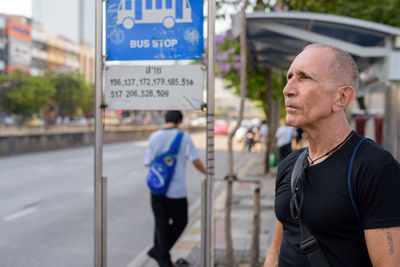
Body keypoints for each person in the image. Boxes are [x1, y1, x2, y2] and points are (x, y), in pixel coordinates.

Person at [264, 44, 400, 267]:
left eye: (304, 77)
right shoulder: (290, 164)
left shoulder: (374, 167)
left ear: (342, 97)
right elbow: (276, 252)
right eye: (289, 77)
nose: (287, 89)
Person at [144, 110, 206, 267]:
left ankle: (160, 253)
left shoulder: (154, 136)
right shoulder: (183, 137)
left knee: (161, 224)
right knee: (181, 222)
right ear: (179, 120)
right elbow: (196, 161)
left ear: (165, 120)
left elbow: (147, 162)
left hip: (157, 189)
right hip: (176, 191)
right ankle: (161, 254)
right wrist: (208, 173)